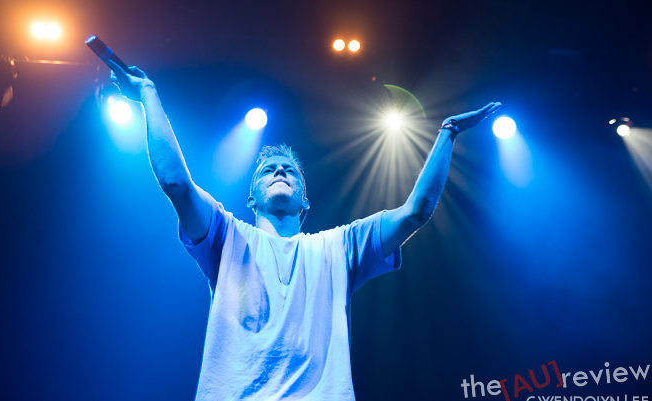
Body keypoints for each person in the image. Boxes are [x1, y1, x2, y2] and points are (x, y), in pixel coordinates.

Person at [109, 62, 501, 400]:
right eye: (268, 170)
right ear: (252, 198)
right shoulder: (227, 235)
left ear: (305, 202)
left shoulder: (340, 246)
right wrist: (148, 94)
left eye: (290, 171)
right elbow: (176, 183)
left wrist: (448, 131)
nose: (280, 171)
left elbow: (416, 212)